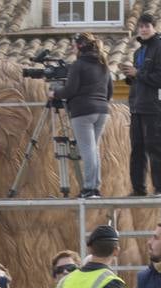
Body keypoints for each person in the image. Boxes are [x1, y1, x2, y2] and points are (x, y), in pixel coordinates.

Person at [53, 32, 112, 199]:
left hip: (82, 112)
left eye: (72, 45)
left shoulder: (78, 65)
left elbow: (70, 90)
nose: (71, 48)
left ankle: (88, 189)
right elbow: (110, 91)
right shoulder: (103, 64)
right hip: (102, 111)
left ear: (79, 46)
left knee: (87, 151)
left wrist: (55, 93)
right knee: (94, 149)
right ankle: (95, 188)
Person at [121, 12, 161, 197]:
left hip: (153, 106)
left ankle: (160, 189)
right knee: (137, 150)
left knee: (155, 148)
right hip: (136, 106)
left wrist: (138, 73)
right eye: (141, 26)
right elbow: (139, 77)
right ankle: (138, 188)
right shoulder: (138, 52)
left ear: (154, 28)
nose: (143, 29)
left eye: (147, 26)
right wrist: (130, 76)